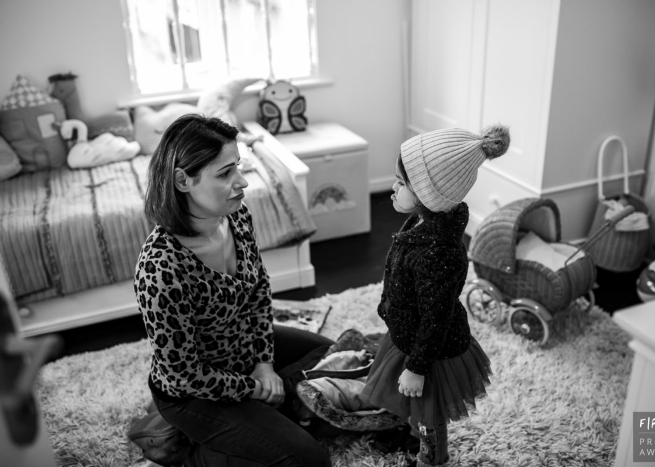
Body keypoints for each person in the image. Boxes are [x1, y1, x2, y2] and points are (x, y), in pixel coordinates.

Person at [133, 113, 334, 467]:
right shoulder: (160, 269)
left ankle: (268, 414)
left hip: (245, 354)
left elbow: (258, 292)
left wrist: (265, 363)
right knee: (310, 461)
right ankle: (185, 448)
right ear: (183, 180)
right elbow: (184, 375)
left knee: (333, 359)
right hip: (194, 392)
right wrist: (256, 389)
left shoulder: (236, 216)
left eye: (237, 167)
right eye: (225, 174)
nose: (241, 182)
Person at [361, 125, 510, 466]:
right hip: (407, 332)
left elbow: (436, 317)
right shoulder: (423, 221)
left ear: (429, 194)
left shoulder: (438, 253)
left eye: (401, 183)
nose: (393, 189)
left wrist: (416, 367)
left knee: (429, 410)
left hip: (431, 349)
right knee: (405, 396)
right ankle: (407, 430)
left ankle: (434, 458)